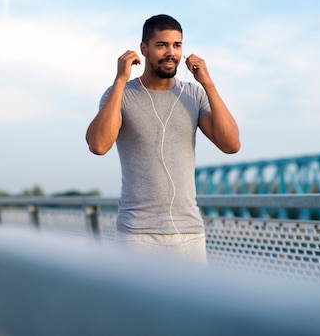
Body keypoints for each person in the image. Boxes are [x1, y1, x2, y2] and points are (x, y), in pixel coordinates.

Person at [85, 14, 240, 263]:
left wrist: (208, 83)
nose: (171, 53)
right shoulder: (120, 94)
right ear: (143, 49)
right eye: (162, 45)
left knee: (192, 305)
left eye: (177, 45)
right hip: (137, 236)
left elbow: (231, 144)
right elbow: (99, 145)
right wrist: (120, 80)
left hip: (189, 234)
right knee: (136, 305)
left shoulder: (194, 94)